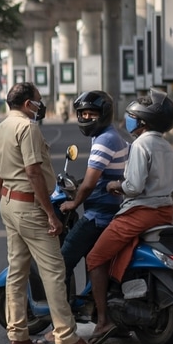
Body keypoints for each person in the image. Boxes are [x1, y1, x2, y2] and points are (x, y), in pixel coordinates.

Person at [0, 82, 101, 344]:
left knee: (17, 271)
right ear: (28, 104)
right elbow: (33, 172)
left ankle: (17, 333)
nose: (41, 105)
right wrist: (50, 214)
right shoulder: (27, 128)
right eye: (38, 100)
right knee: (54, 270)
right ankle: (66, 335)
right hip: (29, 207)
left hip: (9, 203)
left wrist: (8, 202)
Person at [87, 87, 173, 344]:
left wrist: (113, 186)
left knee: (95, 259)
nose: (127, 121)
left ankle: (104, 320)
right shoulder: (168, 148)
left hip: (140, 212)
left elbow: (133, 186)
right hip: (165, 211)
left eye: (131, 116)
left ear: (142, 121)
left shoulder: (141, 145)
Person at [57, 90, 126, 279]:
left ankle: (61, 308)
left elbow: (89, 185)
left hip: (98, 216)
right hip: (108, 210)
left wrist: (73, 203)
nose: (87, 117)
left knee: (62, 261)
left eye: (92, 114)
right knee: (92, 259)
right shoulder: (110, 136)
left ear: (104, 114)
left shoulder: (104, 140)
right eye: (83, 114)